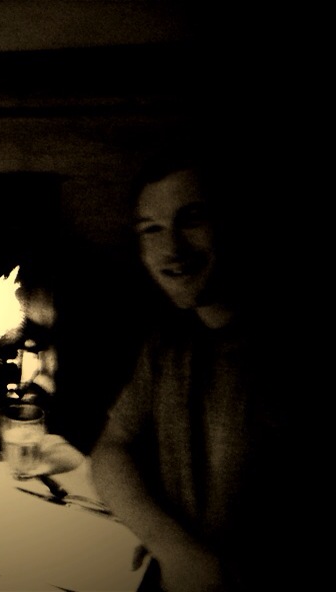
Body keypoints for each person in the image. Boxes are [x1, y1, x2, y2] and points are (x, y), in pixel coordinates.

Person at [87, 142, 297, 591]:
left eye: (192, 219)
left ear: (234, 220)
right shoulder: (168, 341)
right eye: (152, 229)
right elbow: (111, 448)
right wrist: (170, 544)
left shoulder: (283, 357)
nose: (171, 248)